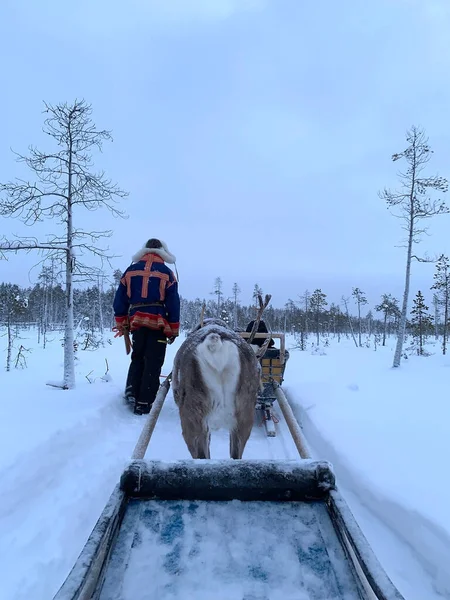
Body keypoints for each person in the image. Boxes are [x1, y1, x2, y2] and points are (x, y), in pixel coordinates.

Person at [113, 238, 180, 415]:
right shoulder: (166, 273)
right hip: (158, 323)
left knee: (138, 356)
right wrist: (173, 328)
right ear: (163, 252)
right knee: (154, 360)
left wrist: (121, 322)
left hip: (136, 321)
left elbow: (120, 298)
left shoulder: (131, 270)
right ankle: (145, 401)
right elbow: (173, 302)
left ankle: (132, 393)